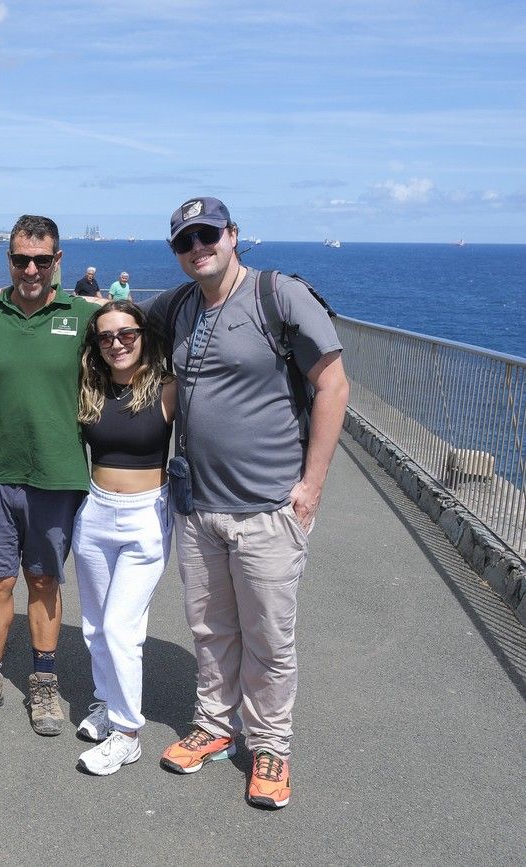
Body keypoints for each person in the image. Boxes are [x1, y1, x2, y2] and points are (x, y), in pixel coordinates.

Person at [149, 196, 348, 809]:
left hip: (267, 507)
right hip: (199, 504)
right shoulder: (178, 306)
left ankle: (269, 745)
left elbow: (333, 383)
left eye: (208, 234)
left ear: (234, 236)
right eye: (185, 241)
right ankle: (215, 725)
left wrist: (310, 484)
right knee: (210, 627)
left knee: (268, 636)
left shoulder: (278, 296)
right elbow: (117, 322)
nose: (198, 248)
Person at [0, 215, 92, 737]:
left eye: (42, 260)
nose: (31, 269)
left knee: (44, 580)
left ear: (58, 261)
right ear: (8, 259)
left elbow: (127, 373)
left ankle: (45, 682)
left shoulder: (83, 319)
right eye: (20, 259)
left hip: (59, 473)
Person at [70, 300, 176, 774]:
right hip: (95, 513)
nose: (117, 344)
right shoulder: (90, 387)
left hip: (146, 517)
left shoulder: (169, 390)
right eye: (106, 337)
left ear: (144, 335)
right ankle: (106, 702)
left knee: (120, 627)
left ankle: (128, 732)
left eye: (127, 334)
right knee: (95, 625)